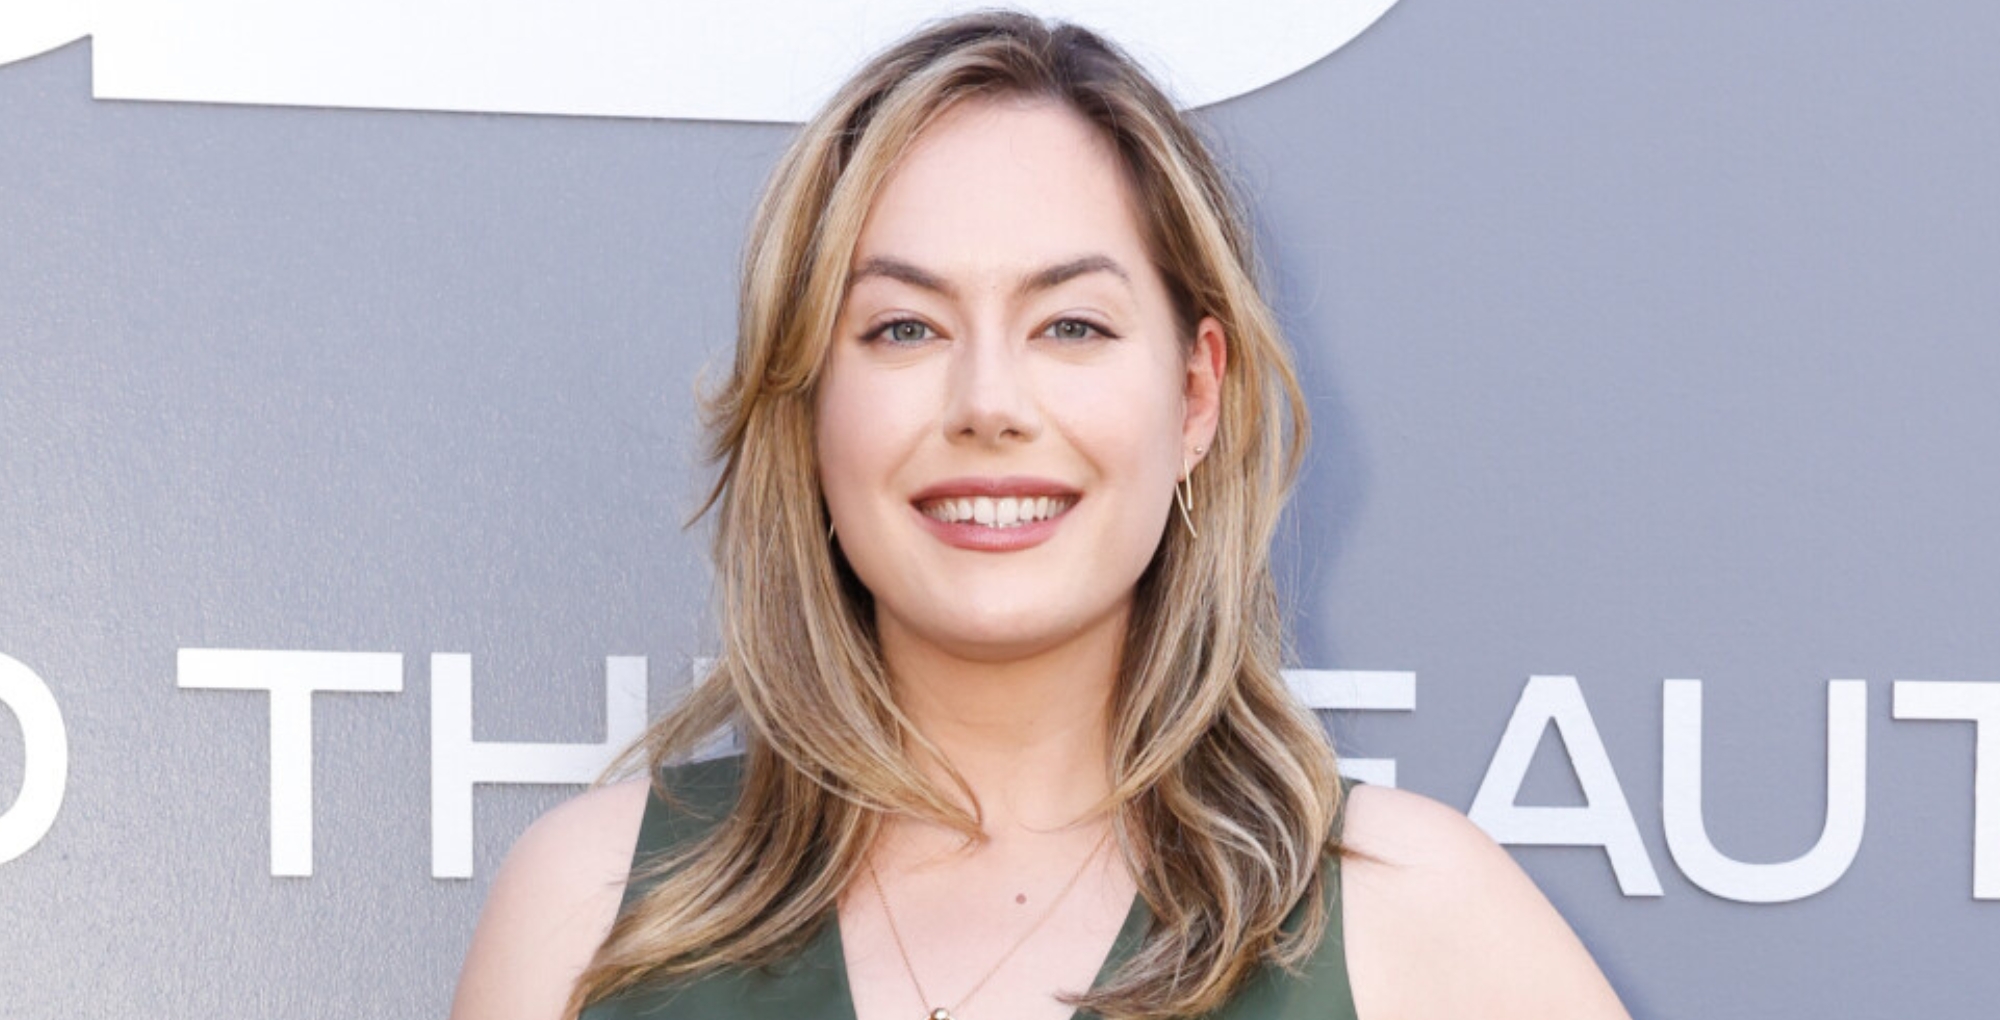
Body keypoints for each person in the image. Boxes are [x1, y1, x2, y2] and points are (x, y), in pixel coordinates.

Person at [451, 11, 1633, 1020]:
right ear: (807, 406)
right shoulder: (591, 915)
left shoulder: (1414, 922)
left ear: (1193, 396)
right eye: (903, 328)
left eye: (1070, 325)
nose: (988, 404)